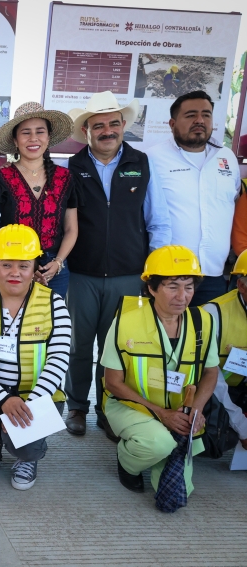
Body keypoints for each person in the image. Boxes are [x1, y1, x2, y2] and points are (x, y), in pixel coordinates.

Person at [63, 91, 172, 440]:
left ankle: (108, 409)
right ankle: (77, 406)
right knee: (79, 345)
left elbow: (158, 221)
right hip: (82, 274)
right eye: (99, 125)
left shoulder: (142, 163)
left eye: (113, 123)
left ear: (123, 125)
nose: (107, 130)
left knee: (116, 349)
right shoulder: (73, 167)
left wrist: (153, 274)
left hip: (128, 275)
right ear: (87, 131)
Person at [0, 225, 71, 490]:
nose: (15, 273)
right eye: (6, 265)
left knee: (26, 447)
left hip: (37, 395)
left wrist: (28, 405)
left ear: (34, 269)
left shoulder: (54, 304)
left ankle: (28, 457)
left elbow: (59, 360)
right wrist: (4, 399)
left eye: (23, 265)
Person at [102, 246, 217, 511]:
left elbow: (211, 372)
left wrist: (195, 410)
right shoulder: (125, 322)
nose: (182, 296)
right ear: (151, 288)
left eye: (189, 287)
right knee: (159, 443)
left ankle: (158, 448)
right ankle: (127, 460)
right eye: (172, 286)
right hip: (131, 406)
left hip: (180, 411)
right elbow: (113, 382)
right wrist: (161, 414)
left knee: (178, 493)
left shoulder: (204, 322)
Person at [147, 91, 241, 306]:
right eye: (190, 115)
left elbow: (233, 200)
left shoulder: (226, 158)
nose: (199, 120)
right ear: (172, 123)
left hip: (214, 274)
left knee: (209, 337)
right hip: (168, 275)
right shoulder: (152, 158)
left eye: (206, 115)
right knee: (168, 337)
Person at [0, 102, 78, 298]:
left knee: (48, 325)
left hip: (53, 270)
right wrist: (18, 264)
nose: (33, 138)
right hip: (10, 269)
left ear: (48, 137)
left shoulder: (65, 178)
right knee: (7, 325)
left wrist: (57, 263)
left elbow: (72, 229)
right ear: (15, 139)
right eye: (25, 132)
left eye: (40, 131)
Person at [202, 250, 247, 448]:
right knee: (220, 440)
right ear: (241, 285)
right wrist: (240, 423)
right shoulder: (213, 314)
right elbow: (212, 378)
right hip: (220, 392)